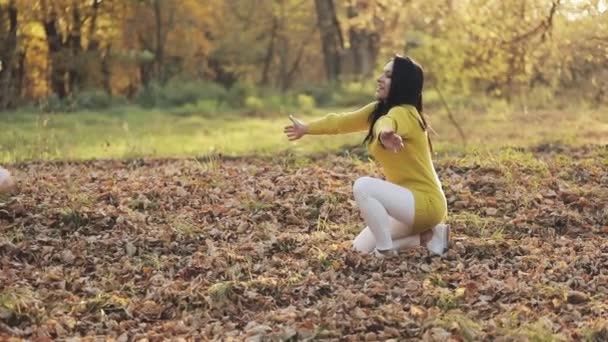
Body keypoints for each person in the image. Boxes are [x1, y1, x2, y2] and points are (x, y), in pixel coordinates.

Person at [284, 55, 449, 256]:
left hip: (425, 202)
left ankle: (385, 252)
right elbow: (341, 122)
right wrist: (307, 128)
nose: (380, 78)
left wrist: (383, 134)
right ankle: (428, 238)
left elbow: (387, 122)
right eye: (382, 73)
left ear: (401, 83)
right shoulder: (378, 110)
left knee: (363, 186)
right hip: (406, 205)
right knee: (359, 250)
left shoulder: (405, 113)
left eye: (388, 76)